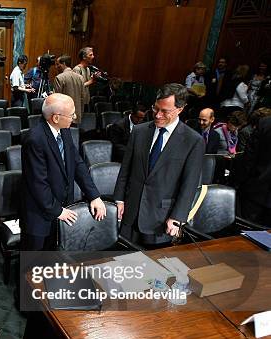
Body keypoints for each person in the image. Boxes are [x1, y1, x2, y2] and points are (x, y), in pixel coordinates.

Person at [114, 83, 204, 246]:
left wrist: (177, 217)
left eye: (165, 111)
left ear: (180, 109)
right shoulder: (139, 131)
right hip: (130, 213)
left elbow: (189, 184)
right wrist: (119, 199)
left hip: (161, 219)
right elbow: (125, 170)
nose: (158, 115)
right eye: (156, 108)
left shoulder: (193, 141)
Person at [20, 93, 106, 251]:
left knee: (53, 259)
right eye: (71, 114)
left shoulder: (64, 130)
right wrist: (57, 211)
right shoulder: (34, 139)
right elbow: (38, 183)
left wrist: (94, 195)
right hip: (39, 215)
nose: (74, 117)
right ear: (56, 118)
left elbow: (77, 163)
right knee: (33, 265)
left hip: (63, 208)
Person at [236, 116, 271, 226]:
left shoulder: (265, 123)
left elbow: (248, 159)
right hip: (257, 191)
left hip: (256, 190)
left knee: (245, 236)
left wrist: (241, 182)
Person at [53, 55, 85, 125]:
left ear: (64, 64)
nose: (56, 67)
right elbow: (82, 98)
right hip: (77, 115)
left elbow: (57, 100)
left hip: (63, 117)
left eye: (58, 64)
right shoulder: (80, 78)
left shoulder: (59, 78)